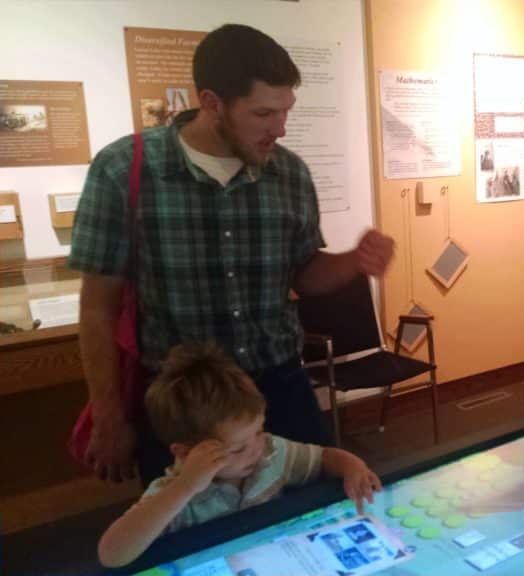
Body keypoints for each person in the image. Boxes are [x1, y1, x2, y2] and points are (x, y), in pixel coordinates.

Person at [69, 23, 395, 486]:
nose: (279, 129)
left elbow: (305, 274)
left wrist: (352, 262)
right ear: (212, 102)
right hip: (183, 406)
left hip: (278, 388)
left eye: (285, 111)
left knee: (309, 519)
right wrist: (109, 415)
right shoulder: (123, 169)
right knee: (192, 536)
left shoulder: (290, 173)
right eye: (263, 113)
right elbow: (97, 307)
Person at [97, 342, 382, 568]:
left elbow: (322, 458)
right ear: (185, 454)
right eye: (238, 448)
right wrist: (185, 487)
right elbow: (111, 553)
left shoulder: (270, 452)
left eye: (258, 431)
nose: (257, 447)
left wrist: (351, 466)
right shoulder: (175, 493)